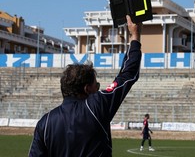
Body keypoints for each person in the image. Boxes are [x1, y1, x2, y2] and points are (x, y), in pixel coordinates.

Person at [28, 15, 142, 157]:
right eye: (97, 85)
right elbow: (128, 74)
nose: (98, 88)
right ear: (87, 89)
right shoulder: (96, 105)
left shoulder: (44, 123)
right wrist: (135, 35)